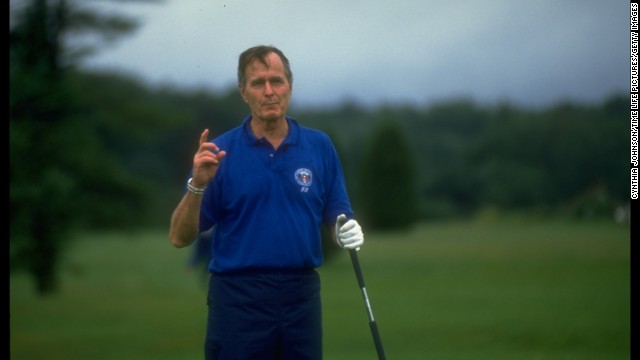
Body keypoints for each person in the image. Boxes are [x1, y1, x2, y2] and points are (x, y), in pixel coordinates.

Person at [168, 45, 364, 360]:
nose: (269, 91)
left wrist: (345, 228)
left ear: (290, 85)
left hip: (300, 297)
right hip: (237, 298)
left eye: (277, 80)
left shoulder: (319, 146)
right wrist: (197, 185)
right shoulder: (218, 152)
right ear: (244, 92)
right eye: (258, 83)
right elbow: (179, 237)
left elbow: (337, 213)